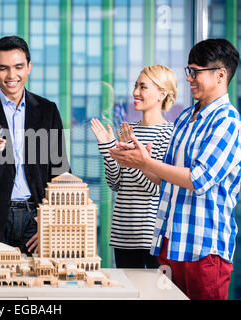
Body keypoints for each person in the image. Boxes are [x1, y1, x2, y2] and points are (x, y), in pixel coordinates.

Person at [108, 39, 240, 300]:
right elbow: (163, 177)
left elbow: (198, 179)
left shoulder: (228, 122)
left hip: (204, 249)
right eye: (188, 70)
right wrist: (136, 160)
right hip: (171, 244)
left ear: (220, 74)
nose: (189, 78)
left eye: (196, 72)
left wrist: (145, 161)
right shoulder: (184, 118)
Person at [0, 36, 69, 255]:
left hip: (35, 220)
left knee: (36, 287)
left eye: (18, 67)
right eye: (3, 68)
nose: (11, 76)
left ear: (29, 67)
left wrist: (50, 221)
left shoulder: (47, 110)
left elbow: (60, 171)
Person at [90, 65, 177, 269]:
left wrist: (132, 158)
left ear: (162, 93)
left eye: (143, 87)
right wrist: (107, 149)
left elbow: (155, 187)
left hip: (153, 236)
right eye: (135, 86)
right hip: (123, 234)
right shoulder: (129, 130)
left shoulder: (169, 134)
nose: (135, 92)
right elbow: (115, 183)